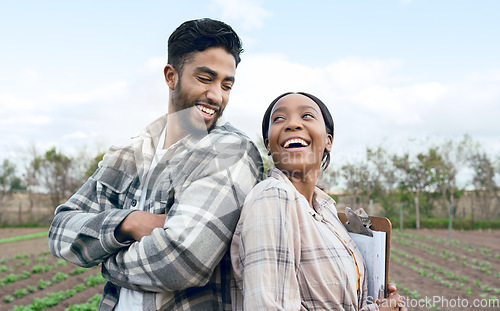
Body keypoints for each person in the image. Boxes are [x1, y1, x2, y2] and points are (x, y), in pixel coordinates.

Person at [48, 18, 263, 311]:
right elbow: (59, 230)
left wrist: (101, 255)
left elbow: (183, 261)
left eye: (226, 84)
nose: (217, 95)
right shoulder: (129, 152)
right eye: (205, 78)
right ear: (171, 76)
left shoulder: (231, 150)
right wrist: (128, 223)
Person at [230, 92, 407, 310]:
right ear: (268, 144)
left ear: (328, 141)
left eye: (306, 116)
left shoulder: (328, 212)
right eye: (279, 119)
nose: (293, 124)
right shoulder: (273, 196)